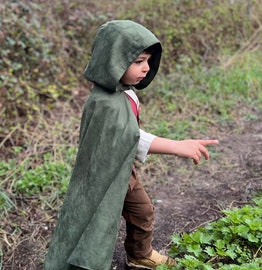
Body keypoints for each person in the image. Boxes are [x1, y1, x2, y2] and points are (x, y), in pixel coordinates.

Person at [43, 20, 218, 270]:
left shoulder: (121, 92)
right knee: (101, 219)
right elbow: (130, 136)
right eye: (138, 62)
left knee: (142, 212)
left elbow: (128, 134)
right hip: (106, 173)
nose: (146, 68)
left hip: (122, 168)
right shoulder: (106, 103)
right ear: (113, 60)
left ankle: (139, 253)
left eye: (147, 60)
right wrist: (178, 146)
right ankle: (82, 262)